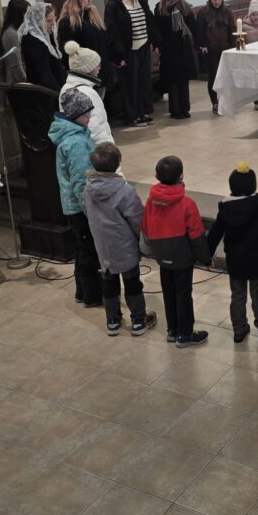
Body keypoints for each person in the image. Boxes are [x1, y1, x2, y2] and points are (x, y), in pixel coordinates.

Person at [83, 142, 157, 336]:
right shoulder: (125, 191)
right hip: (124, 247)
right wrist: (144, 241)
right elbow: (137, 220)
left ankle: (113, 321)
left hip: (103, 246)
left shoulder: (87, 189)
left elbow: (87, 211)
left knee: (108, 284)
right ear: (117, 164)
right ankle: (138, 321)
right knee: (132, 284)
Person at [140, 155, 211, 347]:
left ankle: (172, 330)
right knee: (183, 294)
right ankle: (185, 334)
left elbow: (145, 227)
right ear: (181, 175)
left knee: (168, 291)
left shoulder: (150, 202)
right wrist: (205, 258)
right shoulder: (187, 204)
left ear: (156, 176)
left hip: (161, 255)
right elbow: (196, 235)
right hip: (182, 257)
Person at [207, 161, 258, 344]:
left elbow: (215, 233)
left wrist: (206, 254)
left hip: (235, 260)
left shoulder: (226, 207)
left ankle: (239, 329)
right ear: (253, 185)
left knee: (237, 296)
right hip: (257, 259)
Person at [48, 88, 102, 307]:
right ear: (74, 115)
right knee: (89, 251)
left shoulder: (76, 135)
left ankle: (82, 292)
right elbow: (81, 182)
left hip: (74, 205)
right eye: (85, 114)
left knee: (82, 249)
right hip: (81, 207)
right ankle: (92, 296)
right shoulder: (76, 143)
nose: (89, 117)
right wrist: (90, 211)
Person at [104, 0, 159, 127]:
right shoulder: (113, 5)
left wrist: (155, 41)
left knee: (144, 81)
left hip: (143, 46)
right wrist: (118, 54)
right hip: (128, 50)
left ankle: (144, 112)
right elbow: (112, 31)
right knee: (131, 84)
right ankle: (133, 116)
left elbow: (149, 20)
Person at [154, 0, 199, 119]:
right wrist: (158, 45)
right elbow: (157, 29)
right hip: (169, 48)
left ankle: (185, 108)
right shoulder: (161, 7)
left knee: (184, 78)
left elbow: (193, 25)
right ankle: (175, 110)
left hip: (183, 45)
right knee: (173, 79)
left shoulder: (184, 6)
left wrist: (199, 42)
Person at [57, 0, 115, 93]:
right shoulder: (67, 21)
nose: (89, 0)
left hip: (102, 69)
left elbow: (104, 42)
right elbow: (66, 49)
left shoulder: (94, 18)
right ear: (76, 0)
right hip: (85, 72)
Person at [60, 41, 114, 148]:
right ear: (87, 68)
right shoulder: (87, 92)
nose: (100, 67)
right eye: (96, 64)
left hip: (80, 147)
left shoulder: (67, 87)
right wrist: (108, 150)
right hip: (99, 151)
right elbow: (95, 127)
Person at [197, 0, 235, 114]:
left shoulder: (227, 12)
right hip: (211, 50)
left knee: (226, 77)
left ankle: (225, 101)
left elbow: (232, 30)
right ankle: (215, 102)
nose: (217, 1)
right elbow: (200, 31)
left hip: (225, 50)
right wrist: (203, 45)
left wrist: (233, 46)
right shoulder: (203, 12)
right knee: (213, 77)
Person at [19, 1, 67, 91]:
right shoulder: (34, 41)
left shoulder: (45, 34)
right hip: (45, 90)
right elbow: (44, 72)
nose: (53, 24)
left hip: (55, 83)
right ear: (38, 21)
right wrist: (59, 93)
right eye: (49, 21)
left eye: (54, 19)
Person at [0, 0, 30, 85]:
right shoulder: (11, 34)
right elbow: (16, 65)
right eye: (27, 14)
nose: (29, 18)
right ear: (19, 15)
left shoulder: (18, 31)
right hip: (17, 85)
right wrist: (27, 82)